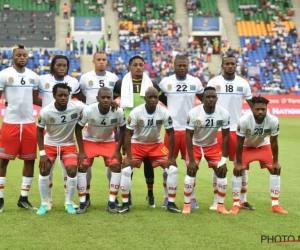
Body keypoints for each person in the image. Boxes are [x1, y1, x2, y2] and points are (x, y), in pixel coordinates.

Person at [113, 55, 167, 208]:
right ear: (129, 67)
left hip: (147, 128)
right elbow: (111, 99)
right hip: (127, 129)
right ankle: (127, 195)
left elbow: (165, 101)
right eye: (135, 65)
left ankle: (150, 194)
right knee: (127, 163)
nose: (138, 67)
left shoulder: (152, 85)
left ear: (144, 66)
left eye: (141, 64)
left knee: (149, 162)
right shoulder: (120, 84)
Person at [118, 87, 180, 214]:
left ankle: (171, 203)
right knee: (126, 169)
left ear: (158, 99)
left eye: (155, 97)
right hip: (137, 144)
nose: (153, 99)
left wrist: (171, 157)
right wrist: (129, 157)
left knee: (172, 168)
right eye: (150, 97)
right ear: (145, 98)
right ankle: (125, 203)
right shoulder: (136, 112)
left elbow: (171, 134)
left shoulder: (164, 112)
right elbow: (128, 135)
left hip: (156, 145)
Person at [37, 55, 85, 210]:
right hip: (50, 144)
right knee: (44, 171)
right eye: (60, 95)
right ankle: (45, 202)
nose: (63, 98)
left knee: (72, 170)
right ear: (54, 96)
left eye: (66, 95)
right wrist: (42, 152)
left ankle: (69, 203)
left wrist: (111, 104)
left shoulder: (76, 106)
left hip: (68, 144)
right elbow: (39, 131)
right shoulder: (45, 111)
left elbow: (91, 109)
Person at [207, 54, 254, 211]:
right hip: (217, 130)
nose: (230, 66)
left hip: (237, 130)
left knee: (241, 165)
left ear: (236, 65)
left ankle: (242, 200)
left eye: (232, 64)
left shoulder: (243, 83)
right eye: (227, 64)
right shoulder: (214, 82)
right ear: (222, 65)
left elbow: (252, 106)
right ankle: (216, 201)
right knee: (217, 165)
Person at [158, 55, 204, 209]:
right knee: (167, 165)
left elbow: (205, 100)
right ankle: (166, 197)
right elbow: (158, 98)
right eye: (179, 65)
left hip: (189, 131)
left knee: (192, 166)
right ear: (174, 66)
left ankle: (192, 198)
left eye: (185, 65)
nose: (182, 68)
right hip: (171, 131)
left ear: (188, 66)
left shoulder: (195, 82)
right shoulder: (166, 82)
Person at [231, 96, 288, 215]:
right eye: (257, 109)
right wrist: (239, 163)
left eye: (263, 109)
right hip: (246, 147)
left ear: (266, 108)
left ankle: (275, 205)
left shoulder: (273, 120)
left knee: (275, 170)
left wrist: (276, 161)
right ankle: (236, 204)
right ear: (252, 109)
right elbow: (239, 142)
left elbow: (274, 142)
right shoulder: (244, 120)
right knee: (237, 171)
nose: (260, 111)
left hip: (263, 146)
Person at [0, 44, 40, 212]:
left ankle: (23, 198)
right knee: (3, 160)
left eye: (24, 55)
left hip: (29, 124)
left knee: (30, 160)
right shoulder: (4, 75)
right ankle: (0, 199)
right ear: (13, 57)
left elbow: (35, 99)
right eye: (19, 55)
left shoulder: (33, 76)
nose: (22, 57)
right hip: (10, 123)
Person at [75, 87, 126, 214]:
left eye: (108, 97)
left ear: (112, 99)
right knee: (82, 167)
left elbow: (124, 129)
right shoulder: (88, 110)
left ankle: (112, 201)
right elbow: (77, 129)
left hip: (108, 142)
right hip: (90, 141)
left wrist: (117, 150)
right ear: (97, 98)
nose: (106, 100)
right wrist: (81, 151)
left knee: (115, 167)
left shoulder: (118, 111)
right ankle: (83, 200)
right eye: (103, 97)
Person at [79, 51, 119, 207]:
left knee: (112, 164)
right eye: (99, 60)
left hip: (108, 124)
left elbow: (114, 97)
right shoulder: (85, 78)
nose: (102, 62)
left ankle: (112, 194)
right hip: (91, 123)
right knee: (85, 164)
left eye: (104, 60)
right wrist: (89, 107)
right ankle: (86, 195)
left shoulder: (113, 78)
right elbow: (81, 95)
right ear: (93, 61)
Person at [182, 87, 230, 214]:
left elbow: (225, 136)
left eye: (213, 97)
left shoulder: (223, 113)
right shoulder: (194, 113)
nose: (211, 99)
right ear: (202, 99)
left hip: (212, 145)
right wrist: (191, 160)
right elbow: (188, 135)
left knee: (222, 171)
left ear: (216, 99)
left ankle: (220, 205)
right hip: (195, 145)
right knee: (191, 171)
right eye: (208, 97)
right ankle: (187, 205)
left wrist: (224, 159)